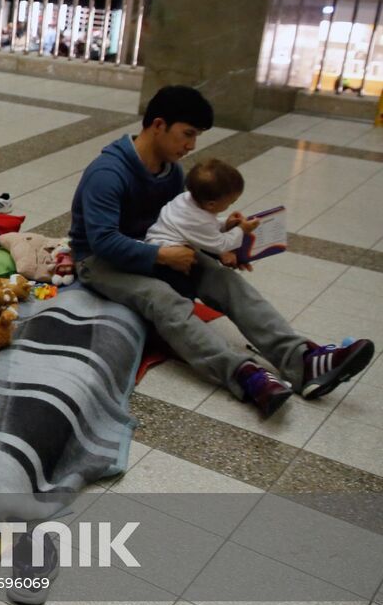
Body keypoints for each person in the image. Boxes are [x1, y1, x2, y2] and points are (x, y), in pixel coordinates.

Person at [70, 85, 374, 417]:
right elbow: (102, 242)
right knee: (162, 298)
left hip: (157, 246)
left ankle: (302, 361)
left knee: (223, 280)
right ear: (158, 125)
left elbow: (184, 224)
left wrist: (224, 249)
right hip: (99, 260)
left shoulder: (171, 173)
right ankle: (246, 376)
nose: (191, 145)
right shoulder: (108, 173)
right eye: (187, 134)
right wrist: (161, 257)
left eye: (196, 136)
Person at [145, 158, 259, 267]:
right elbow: (221, 244)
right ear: (211, 204)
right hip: (167, 255)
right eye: (231, 202)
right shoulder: (198, 221)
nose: (231, 205)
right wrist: (242, 230)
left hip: (156, 242)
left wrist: (225, 224)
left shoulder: (186, 198)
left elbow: (206, 225)